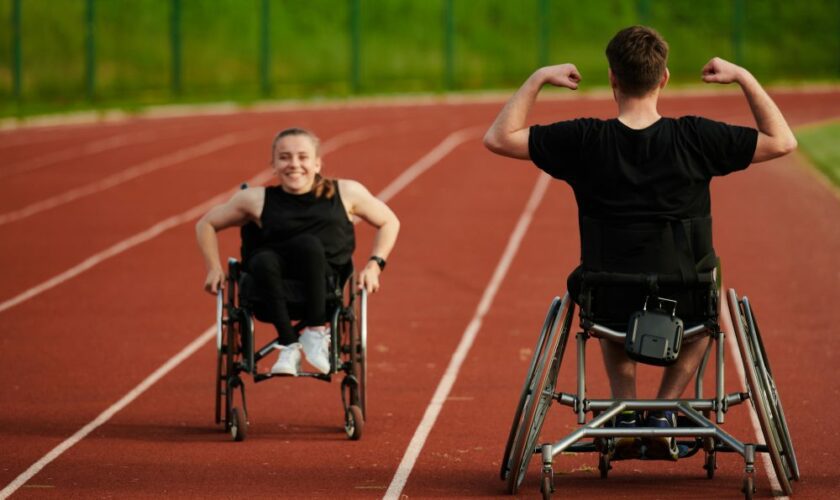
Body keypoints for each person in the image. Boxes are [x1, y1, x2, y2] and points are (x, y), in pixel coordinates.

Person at [484, 26, 796, 459]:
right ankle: (666, 409)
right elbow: (783, 140)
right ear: (663, 77)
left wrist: (537, 78)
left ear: (613, 78)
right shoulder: (696, 137)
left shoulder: (584, 139)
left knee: (607, 289)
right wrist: (744, 76)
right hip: (687, 301)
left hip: (607, 300)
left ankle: (625, 409)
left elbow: (498, 138)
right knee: (711, 299)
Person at [196, 127, 400, 376]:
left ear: (317, 163)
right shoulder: (255, 199)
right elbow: (206, 224)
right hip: (270, 290)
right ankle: (289, 345)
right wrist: (213, 268)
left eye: (302, 157)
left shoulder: (346, 192)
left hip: (326, 290)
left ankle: (315, 333)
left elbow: (389, 221)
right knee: (262, 259)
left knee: (309, 245)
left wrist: (374, 265)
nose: (294, 164)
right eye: (284, 157)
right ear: (273, 165)